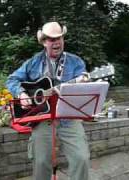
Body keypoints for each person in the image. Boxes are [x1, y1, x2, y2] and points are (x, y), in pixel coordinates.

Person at [6, 22, 90, 180]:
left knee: (82, 158)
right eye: (52, 39)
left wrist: (82, 84)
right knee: (42, 162)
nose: (57, 42)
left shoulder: (75, 61)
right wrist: (22, 94)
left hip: (68, 118)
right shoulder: (34, 62)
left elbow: (84, 82)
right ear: (44, 42)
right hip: (42, 118)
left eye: (59, 38)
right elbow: (12, 80)